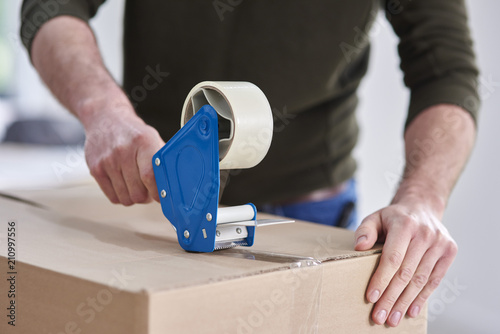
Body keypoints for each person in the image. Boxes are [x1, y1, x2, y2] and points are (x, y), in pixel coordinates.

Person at [20, 0, 479, 327]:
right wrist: (105, 112)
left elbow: (446, 71)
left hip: (310, 211)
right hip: (152, 196)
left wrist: (422, 197)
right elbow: (48, 7)